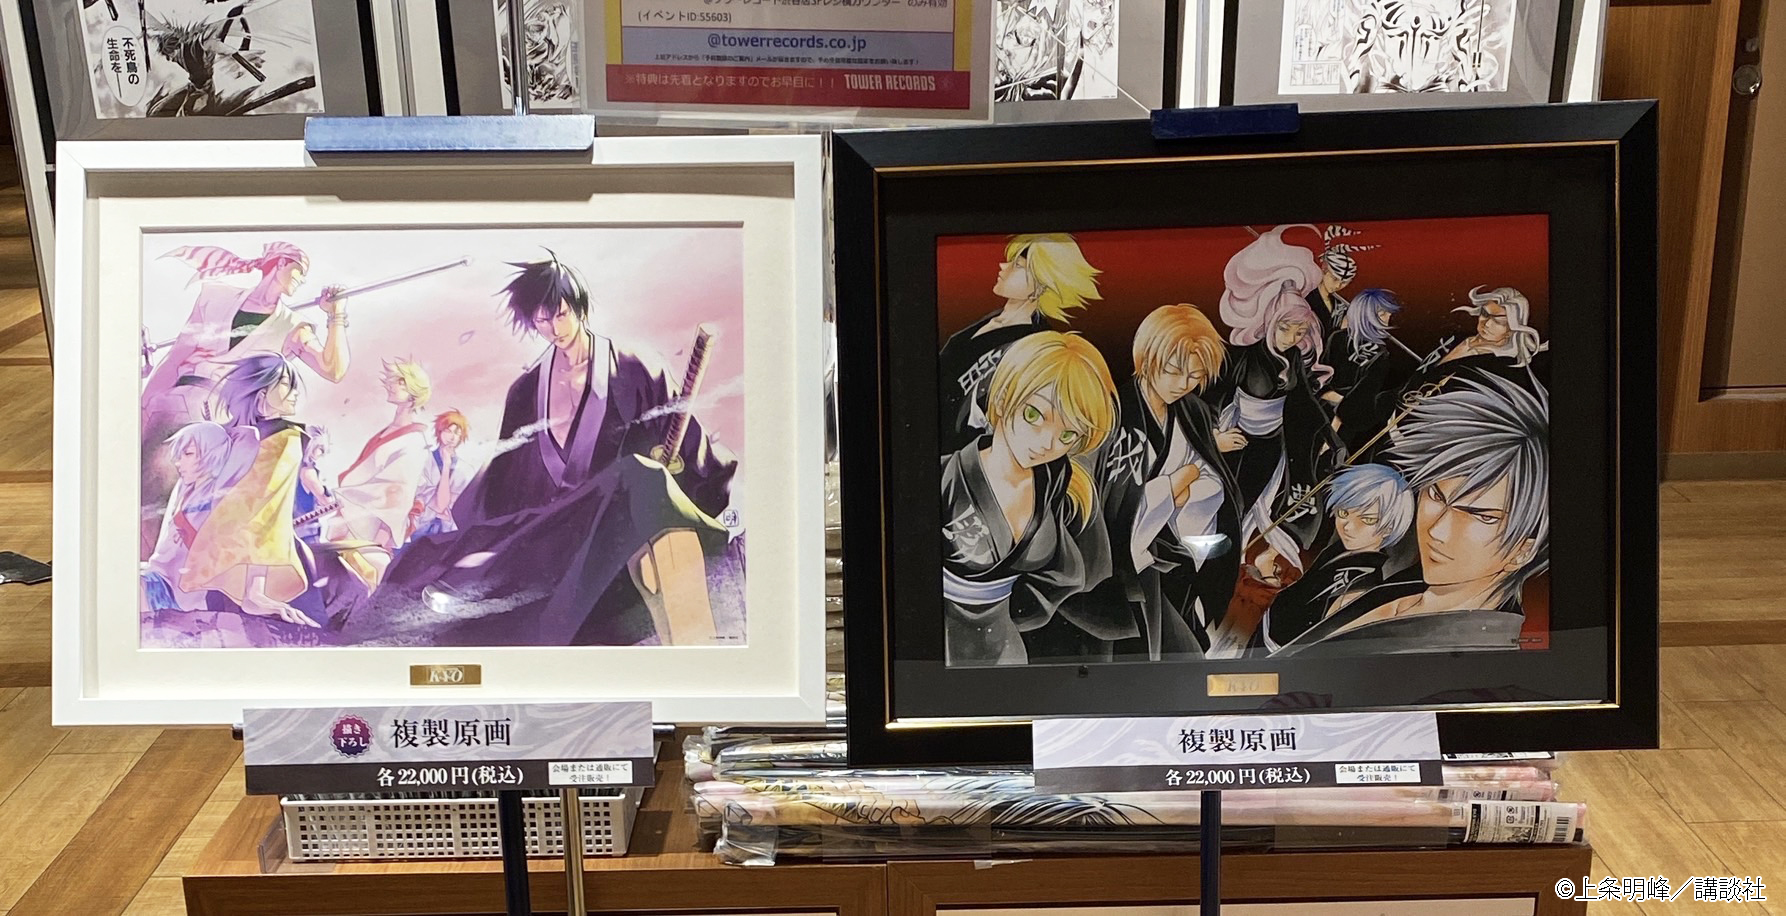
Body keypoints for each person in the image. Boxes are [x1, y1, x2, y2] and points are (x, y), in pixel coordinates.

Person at [356, 253, 738, 648]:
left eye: (560, 315)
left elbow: (692, 455)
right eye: (541, 321)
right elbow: (503, 489)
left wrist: (674, 470)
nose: (554, 329)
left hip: (617, 533)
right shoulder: (525, 392)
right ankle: (484, 577)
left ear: (578, 308)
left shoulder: (635, 368)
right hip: (553, 539)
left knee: (643, 476)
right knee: (430, 561)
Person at [1271, 374, 1548, 656]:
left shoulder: (1471, 653)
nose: (1437, 530)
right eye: (1436, 495)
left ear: (1523, 552)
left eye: (1481, 516)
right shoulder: (1400, 588)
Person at [1071, 305, 1246, 661]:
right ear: (1148, 358)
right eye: (1173, 371)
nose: (1183, 384)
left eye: (1195, 375)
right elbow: (1101, 500)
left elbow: (1211, 479)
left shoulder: (1193, 411)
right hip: (1121, 565)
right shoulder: (1112, 413)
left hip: (1172, 555)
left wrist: (1183, 482)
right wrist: (1174, 484)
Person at [939, 331, 1117, 666]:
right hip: (940, 652)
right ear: (1003, 398)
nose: (1047, 443)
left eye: (1067, 434)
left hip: (1009, 650)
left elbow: (1076, 576)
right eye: (1034, 415)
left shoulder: (1061, 487)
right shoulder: (946, 477)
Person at [1207, 226, 1345, 584]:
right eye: (1286, 330)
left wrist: (1332, 438)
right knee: (1228, 504)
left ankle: (1234, 562)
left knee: (1256, 504)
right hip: (1239, 442)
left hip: (1271, 444)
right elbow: (1213, 396)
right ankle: (1212, 564)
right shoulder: (1244, 356)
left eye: (1299, 332)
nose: (1292, 338)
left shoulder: (1294, 358)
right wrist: (1216, 435)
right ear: (1271, 323)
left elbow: (1306, 400)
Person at [141, 243, 349, 445]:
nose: (302, 280)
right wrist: (142, 407)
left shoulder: (293, 327)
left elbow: (333, 370)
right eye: (300, 271)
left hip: (220, 429)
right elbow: (176, 357)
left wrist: (336, 315)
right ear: (281, 263)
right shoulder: (215, 297)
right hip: (175, 404)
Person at [178, 354, 322, 628]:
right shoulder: (285, 439)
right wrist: (255, 591)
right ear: (260, 392)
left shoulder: (228, 437)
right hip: (256, 571)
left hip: (221, 565)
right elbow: (263, 512)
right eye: (285, 384)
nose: (295, 393)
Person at [938, 234, 1102, 454]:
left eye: (1018, 265)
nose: (1003, 266)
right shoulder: (991, 320)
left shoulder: (1036, 345)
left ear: (1041, 285)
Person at [1253, 463, 1414, 651]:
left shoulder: (1362, 581)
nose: (1348, 526)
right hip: (1265, 636)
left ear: (1389, 528)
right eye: (1344, 512)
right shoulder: (1339, 551)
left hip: (1278, 653)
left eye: (1367, 519)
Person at [141, 421, 254, 613]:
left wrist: (218, 435)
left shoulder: (219, 495)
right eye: (179, 455)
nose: (178, 463)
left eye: (188, 454)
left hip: (178, 594)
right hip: (158, 577)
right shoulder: (184, 489)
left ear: (212, 454)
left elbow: (249, 437)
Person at [326, 360, 431, 551]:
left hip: (368, 533)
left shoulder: (413, 442)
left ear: (414, 392)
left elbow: (397, 498)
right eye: (394, 380)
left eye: (401, 382)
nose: (391, 385)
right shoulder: (390, 431)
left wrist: (378, 545)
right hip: (351, 520)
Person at [1325, 288, 1416, 454]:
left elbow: (1361, 396)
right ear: (1365, 314)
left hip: (1338, 415)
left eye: (1388, 314)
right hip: (1331, 414)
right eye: (1382, 314)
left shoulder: (1377, 352)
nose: (1387, 319)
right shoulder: (1340, 339)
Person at [410, 409, 476, 540]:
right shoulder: (424, 460)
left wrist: (446, 465)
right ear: (439, 432)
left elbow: (447, 505)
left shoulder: (465, 469)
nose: (452, 437)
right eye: (448, 431)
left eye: (457, 433)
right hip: (419, 526)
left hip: (450, 530)